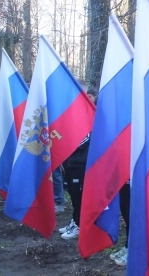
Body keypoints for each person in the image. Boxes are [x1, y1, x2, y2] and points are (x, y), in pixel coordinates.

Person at [58, 79, 92, 240]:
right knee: (73, 193)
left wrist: (67, 143)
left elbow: (83, 140)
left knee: (79, 195)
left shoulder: (89, 112)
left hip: (81, 162)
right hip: (70, 162)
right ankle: (75, 219)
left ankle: (80, 224)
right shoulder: (71, 112)